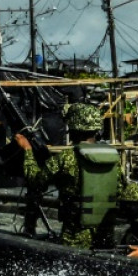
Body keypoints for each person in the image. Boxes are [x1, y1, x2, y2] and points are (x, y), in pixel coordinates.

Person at [16, 102, 123, 249]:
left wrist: (27, 150)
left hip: (74, 239)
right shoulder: (113, 157)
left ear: (73, 127)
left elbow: (36, 180)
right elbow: (122, 189)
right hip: (105, 236)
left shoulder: (66, 157)